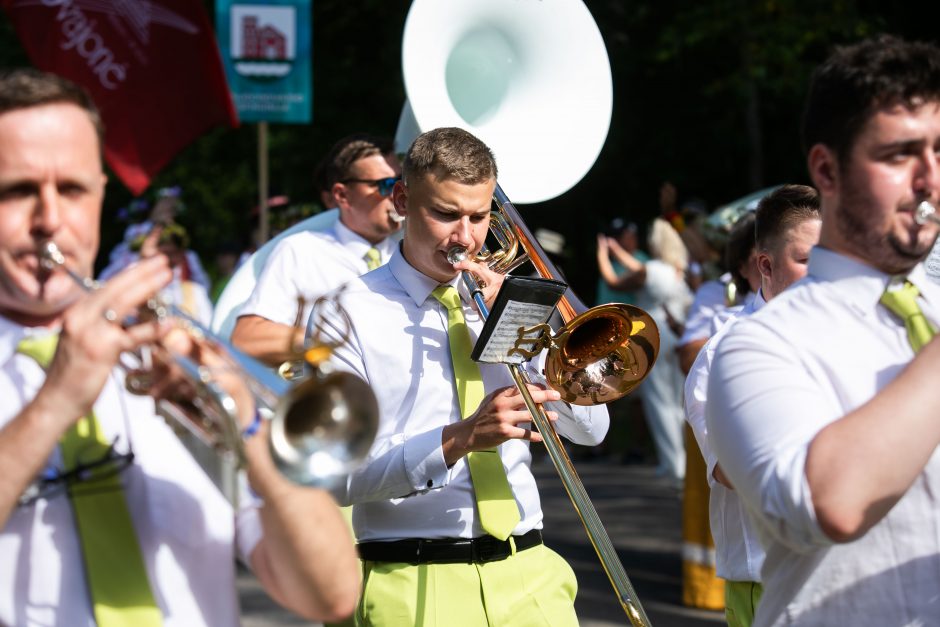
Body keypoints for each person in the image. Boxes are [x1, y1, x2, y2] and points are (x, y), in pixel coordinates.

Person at [0, 69, 359, 625]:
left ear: (98, 194)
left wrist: (245, 426)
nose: (49, 220)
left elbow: (332, 594)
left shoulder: (165, 351)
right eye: (18, 191)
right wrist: (57, 400)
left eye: (70, 190)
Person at [316, 127, 609, 626]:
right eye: (446, 214)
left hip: (529, 570)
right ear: (403, 200)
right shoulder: (344, 312)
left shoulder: (505, 297)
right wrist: (460, 438)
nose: (465, 238)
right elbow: (332, 477)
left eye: (478, 216)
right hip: (413, 578)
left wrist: (535, 333)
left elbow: (591, 430)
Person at [706, 35, 940, 625]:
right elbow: (825, 505)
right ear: (827, 170)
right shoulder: (756, 344)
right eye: (900, 155)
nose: (930, 180)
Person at [686, 185, 821, 626]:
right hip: (769, 583)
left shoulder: (848, 338)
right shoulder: (722, 355)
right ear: (765, 264)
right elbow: (731, 470)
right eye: (806, 261)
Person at [232, 134, 403, 367]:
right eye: (385, 186)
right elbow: (247, 338)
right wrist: (336, 337)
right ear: (342, 195)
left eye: (401, 182)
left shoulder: (409, 255)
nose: (398, 195)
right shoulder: (300, 251)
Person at [679, 208, 760, 611]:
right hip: (718, 408)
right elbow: (688, 353)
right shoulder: (717, 294)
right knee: (709, 505)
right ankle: (701, 591)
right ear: (749, 262)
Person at [597, 218, 692, 482]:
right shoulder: (679, 271)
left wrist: (604, 252)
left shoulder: (650, 269)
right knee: (678, 401)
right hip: (680, 333)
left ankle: (673, 465)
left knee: (659, 402)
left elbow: (613, 281)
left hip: (654, 336)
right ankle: (686, 462)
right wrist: (617, 251)